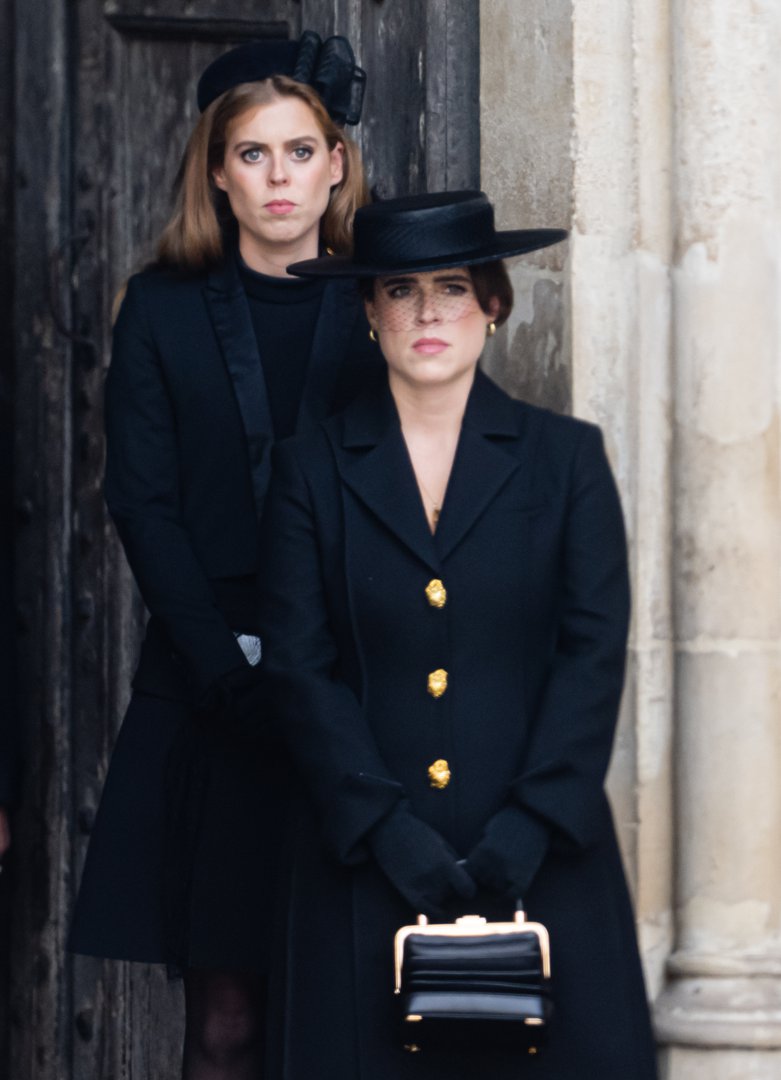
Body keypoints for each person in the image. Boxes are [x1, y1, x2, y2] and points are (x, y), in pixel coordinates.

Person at [256, 191, 659, 1079]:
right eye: (400, 290)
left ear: (493, 303)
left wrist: (529, 827)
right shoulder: (309, 470)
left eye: (451, 286)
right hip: (361, 863)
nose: (428, 312)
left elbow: (592, 654)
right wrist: (383, 830)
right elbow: (298, 667)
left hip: (541, 859)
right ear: (369, 311)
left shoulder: (565, 460)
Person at [68, 32, 382, 1080]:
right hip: (215, 688)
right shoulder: (160, 309)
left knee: (354, 1012)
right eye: (252, 154)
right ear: (216, 171)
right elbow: (142, 503)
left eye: (300, 151)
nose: (278, 177)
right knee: (228, 1022)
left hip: (362, 687)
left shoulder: (387, 303)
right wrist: (226, 672)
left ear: (336, 163)